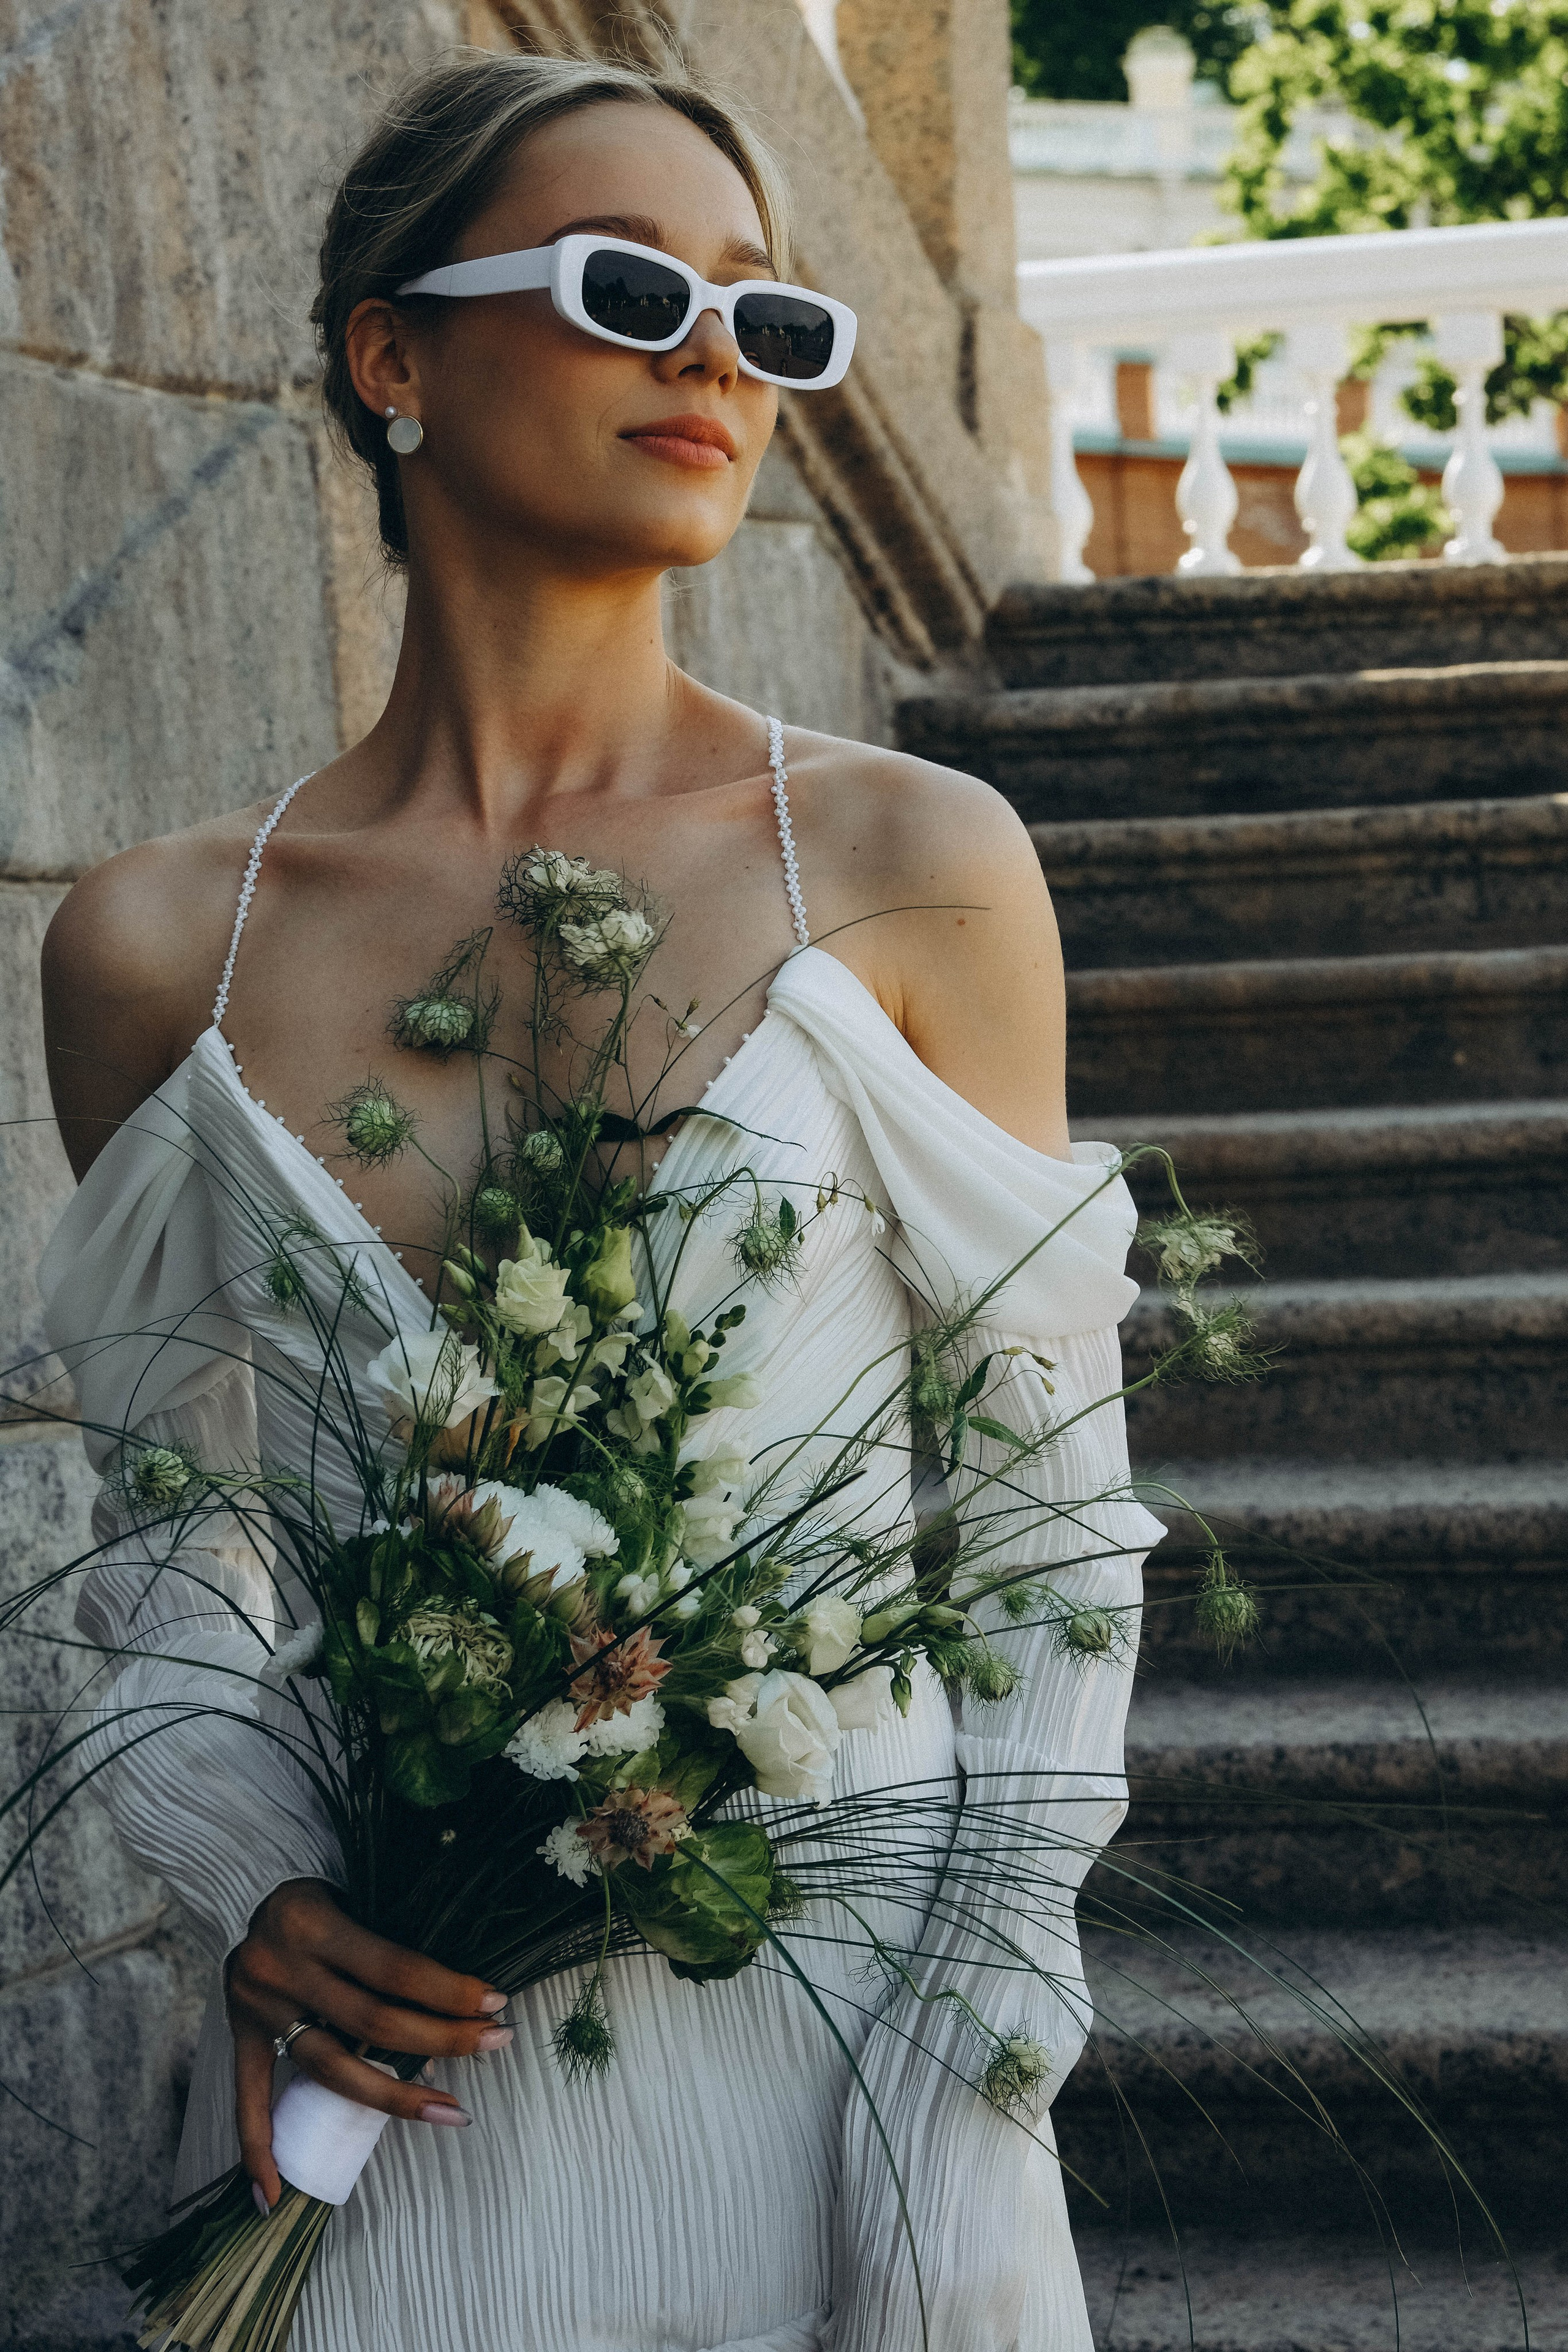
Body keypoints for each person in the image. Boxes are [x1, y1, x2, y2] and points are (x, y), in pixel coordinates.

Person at [39, 44, 1161, 2351]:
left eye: (770, 317)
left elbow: (1048, 1542)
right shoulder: (164, 947)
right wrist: (258, 1893)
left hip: (853, 2055)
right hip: (391, 2086)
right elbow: (174, 1552)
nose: (716, 361)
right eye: (634, 283)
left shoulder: (913, 867)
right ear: (393, 356)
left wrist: (975, 2097)